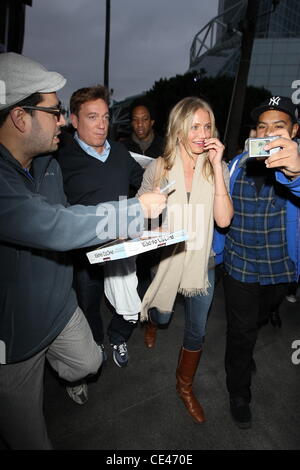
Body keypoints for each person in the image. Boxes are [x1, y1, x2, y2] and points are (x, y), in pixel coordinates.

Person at [0, 52, 166, 450]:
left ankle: (63, 371)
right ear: (21, 118)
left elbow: (89, 200)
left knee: (90, 363)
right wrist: (135, 212)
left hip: (58, 306)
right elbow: (57, 224)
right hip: (13, 335)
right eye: (54, 111)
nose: (60, 120)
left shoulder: (47, 161)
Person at [137, 96, 233, 423]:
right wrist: (151, 217)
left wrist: (219, 170)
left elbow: (223, 221)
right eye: (194, 126)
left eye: (207, 126)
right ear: (179, 129)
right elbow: (139, 210)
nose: (202, 133)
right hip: (165, 259)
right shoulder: (159, 166)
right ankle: (152, 321)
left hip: (202, 263)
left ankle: (185, 387)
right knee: (163, 318)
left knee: (197, 331)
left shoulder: (216, 165)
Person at [214, 95, 300, 430]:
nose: (268, 132)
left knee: (258, 320)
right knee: (241, 331)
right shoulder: (237, 164)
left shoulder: (296, 163)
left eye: (278, 126)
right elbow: (219, 213)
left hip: (282, 268)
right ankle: (239, 393)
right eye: (261, 127)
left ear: (294, 131)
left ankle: (250, 339)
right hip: (240, 265)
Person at [56, 85, 143, 385]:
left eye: (105, 117)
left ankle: (118, 336)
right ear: (74, 120)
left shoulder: (119, 151)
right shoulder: (59, 158)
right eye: (92, 117)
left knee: (133, 298)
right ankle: (95, 344)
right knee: (88, 302)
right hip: (85, 251)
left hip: (122, 244)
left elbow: (143, 181)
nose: (102, 124)